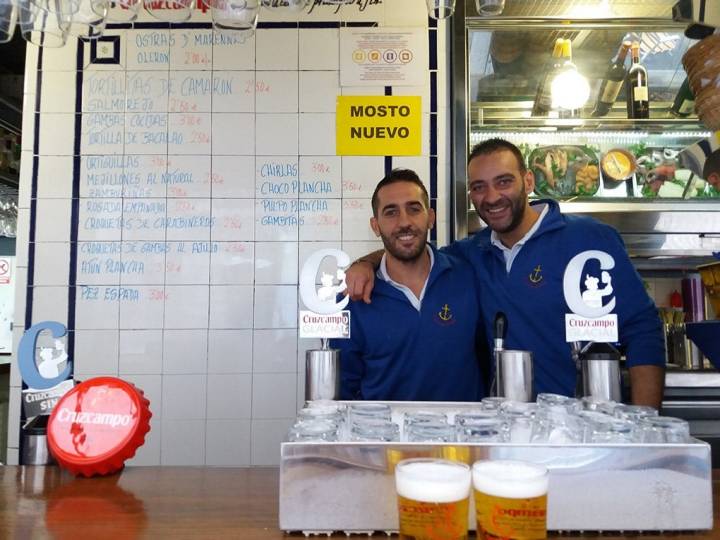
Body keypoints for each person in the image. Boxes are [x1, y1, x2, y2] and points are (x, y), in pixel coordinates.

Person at [346, 140, 665, 409]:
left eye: (504, 181)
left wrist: (644, 425)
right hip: (506, 432)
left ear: (528, 182)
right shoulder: (471, 255)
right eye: (479, 187)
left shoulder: (590, 239)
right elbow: (409, 250)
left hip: (587, 427)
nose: (492, 197)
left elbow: (642, 329)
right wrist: (365, 264)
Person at [330, 169, 487, 401]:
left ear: (430, 217)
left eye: (414, 209)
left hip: (461, 433)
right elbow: (343, 389)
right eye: (391, 212)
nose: (404, 222)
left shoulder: (468, 275)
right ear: (376, 226)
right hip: (386, 435)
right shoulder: (351, 297)